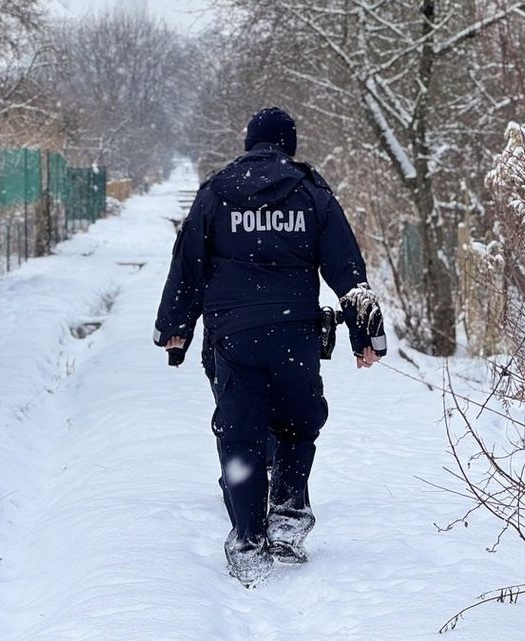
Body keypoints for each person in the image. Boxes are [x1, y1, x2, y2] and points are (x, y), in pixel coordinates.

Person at [153, 107, 388, 587]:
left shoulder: (218, 191)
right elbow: (348, 269)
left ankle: (247, 539)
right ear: (290, 144)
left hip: (234, 336)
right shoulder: (311, 192)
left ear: (249, 142)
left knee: (239, 434)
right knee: (297, 425)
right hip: (294, 334)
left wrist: (175, 327)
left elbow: (188, 263)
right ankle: (286, 514)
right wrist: (366, 335)